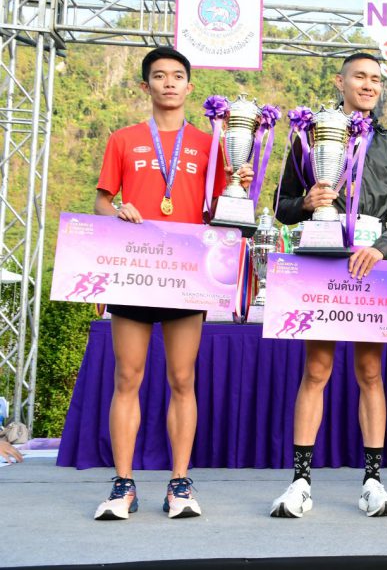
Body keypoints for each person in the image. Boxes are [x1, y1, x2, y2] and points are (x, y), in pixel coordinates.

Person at [93, 46, 250, 520]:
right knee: (128, 377)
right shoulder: (123, 139)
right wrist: (116, 211)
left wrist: (240, 186)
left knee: (182, 379)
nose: (168, 83)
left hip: (186, 274)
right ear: (146, 86)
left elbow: (221, 209)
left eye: (177, 76)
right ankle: (123, 485)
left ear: (189, 86)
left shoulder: (210, 144)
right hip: (135, 269)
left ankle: (179, 482)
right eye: (159, 76)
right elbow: (102, 201)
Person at [270, 52, 387, 518]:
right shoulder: (309, 134)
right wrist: (306, 202)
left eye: (376, 79)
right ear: (341, 81)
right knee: (316, 371)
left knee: (370, 373)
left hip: (369, 269)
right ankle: (300, 482)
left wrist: (382, 249)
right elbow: (281, 204)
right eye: (360, 77)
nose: (369, 85)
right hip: (321, 266)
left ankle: (373, 481)